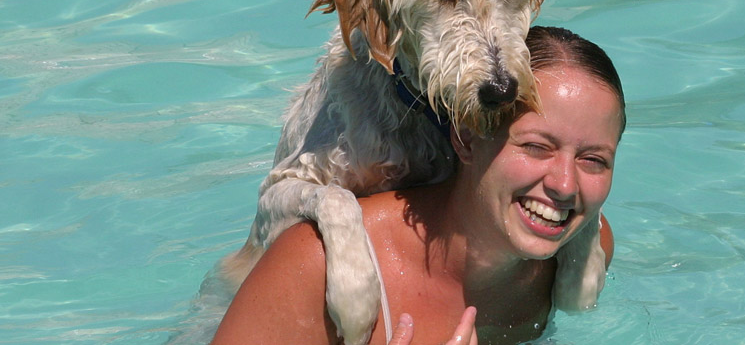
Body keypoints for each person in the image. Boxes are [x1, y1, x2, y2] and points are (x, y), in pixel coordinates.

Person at [211, 26, 626, 345]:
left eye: (594, 160)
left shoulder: (581, 251)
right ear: (465, 138)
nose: (565, 185)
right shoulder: (315, 266)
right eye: (536, 147)